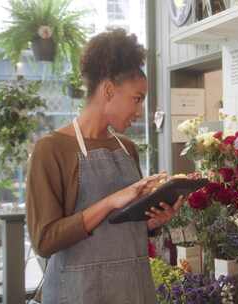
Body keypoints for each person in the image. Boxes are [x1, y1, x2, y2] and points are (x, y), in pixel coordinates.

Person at [26, 29, 182, 304]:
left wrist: (151, 223)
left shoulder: (126, 148)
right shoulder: (51, 149)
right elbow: (45, 239)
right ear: (109, 89)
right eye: (137, 98)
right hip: (77, 293)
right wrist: (110, 202)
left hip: (133, 289)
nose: (139, 110)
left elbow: (117, 228)